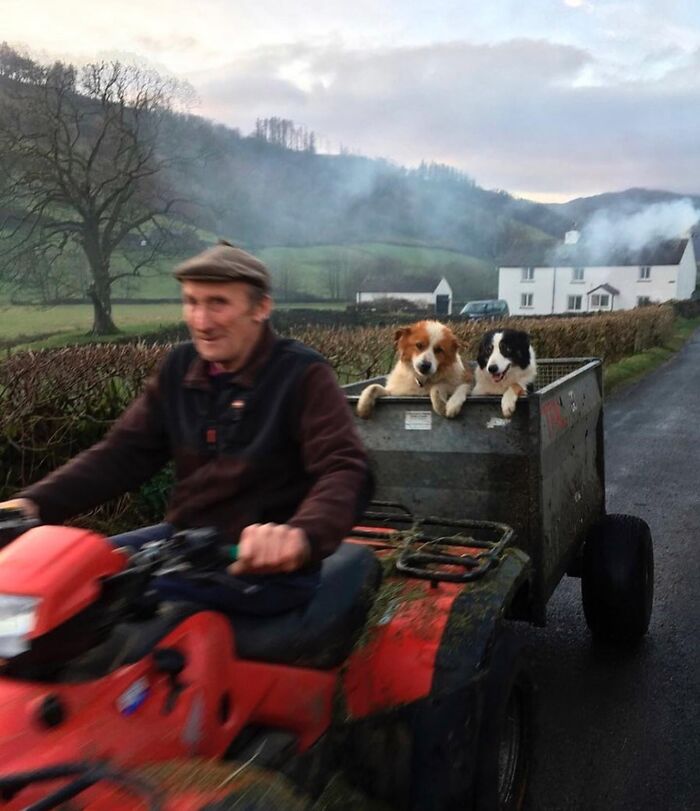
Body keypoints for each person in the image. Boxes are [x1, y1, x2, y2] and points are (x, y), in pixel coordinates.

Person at [1, 241, 372, 616]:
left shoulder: (302, 375)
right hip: (184, 543)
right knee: (56, 580)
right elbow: (122, 454)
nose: (201, 322)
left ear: (261, 307)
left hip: (262, 567)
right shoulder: (180, 367)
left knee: (106, 612)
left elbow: (344, 468)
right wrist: (32, 505)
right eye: (192, 302)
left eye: (218, 303)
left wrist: (300, 536)